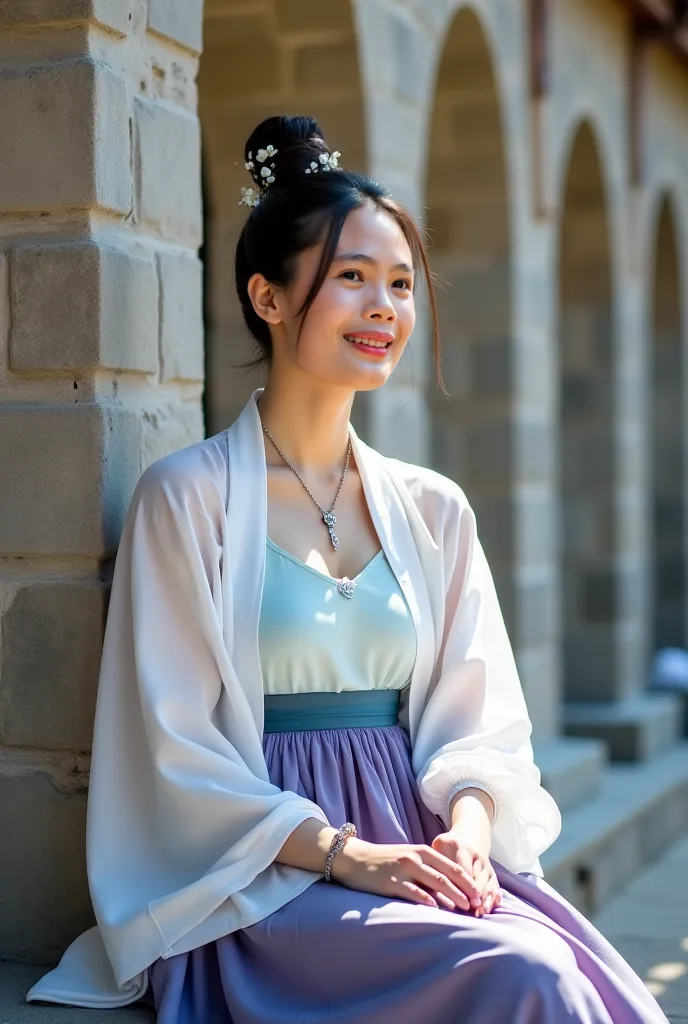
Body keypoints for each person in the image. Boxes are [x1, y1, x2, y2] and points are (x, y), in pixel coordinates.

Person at [27, 115, 669, 1023]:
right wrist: (346, 853)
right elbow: (172, 746)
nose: (385, 308)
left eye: (402, 283)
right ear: (269, 296)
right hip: (260, 879)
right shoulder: (187, 499)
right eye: (352, 278)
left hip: (419, 846)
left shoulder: (434, 508)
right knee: (532, 979)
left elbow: (481, 718)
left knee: (572, 979)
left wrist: (471, 835)